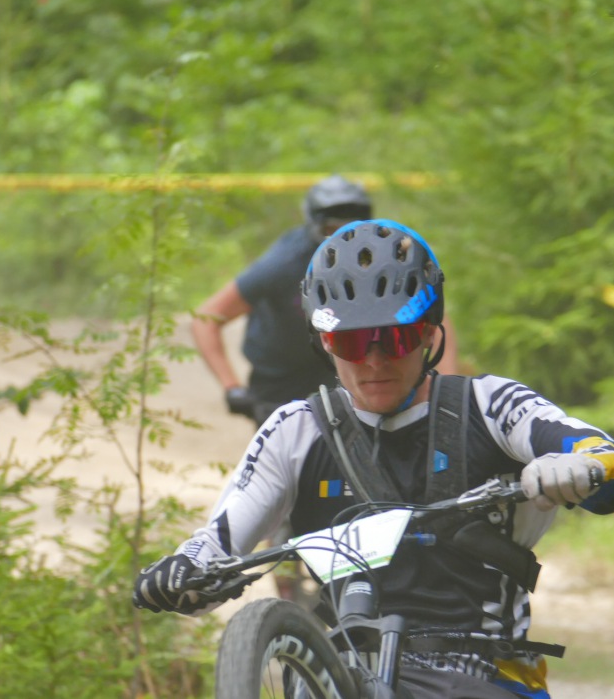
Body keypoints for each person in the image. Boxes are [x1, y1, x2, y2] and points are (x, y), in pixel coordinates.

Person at [136, 220, 614, 698]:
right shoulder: (295, 429)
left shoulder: (489, 405)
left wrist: (577, 467)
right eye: (351, 342)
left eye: (394, 337)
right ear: (324, 343)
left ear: (427, 334)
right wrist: (183, 572)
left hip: (482, 669)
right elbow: (218, 542)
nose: (374, 361)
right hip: (345, 663)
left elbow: (608, 461)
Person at [190, 175, 458, 602]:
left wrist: (447, 384)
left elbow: (428, 316)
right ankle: (291, 604)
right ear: (311, 223)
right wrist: (230, 385)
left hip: (352, 375)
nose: (340, 231)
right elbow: (208, 317)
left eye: (352, 221)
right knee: (287, 492)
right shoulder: (283, 262)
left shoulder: (388, 256)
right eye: (330, 223)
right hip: (279, 387)